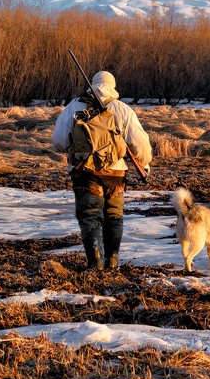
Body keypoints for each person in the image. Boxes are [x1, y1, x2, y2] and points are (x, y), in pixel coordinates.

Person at [52, 70, 152, 270]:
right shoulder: (123, 109)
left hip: (84, 173)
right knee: (114, 215)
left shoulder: (73, 106)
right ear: (113, 87)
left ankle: (95, 264)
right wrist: (145, 163)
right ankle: (112, 262)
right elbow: (140, 145)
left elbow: (59, 142)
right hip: (115, 173)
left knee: (90, 216)